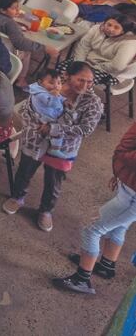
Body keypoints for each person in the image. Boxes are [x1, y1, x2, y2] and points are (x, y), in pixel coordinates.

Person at [4, 62, 103, 232]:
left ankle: (46, 210)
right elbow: (27, 109)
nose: (85, 86)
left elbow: (85, 129)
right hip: (36, 140)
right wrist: (38, 126)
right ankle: (17, 197)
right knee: (25, 170)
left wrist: (53, 129)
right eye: (81, 80)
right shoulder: (48, 87)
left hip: (63, 149)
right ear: (67, 76)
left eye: (90, 82)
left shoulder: (92, 102)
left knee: (54, 182)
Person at [53, 119, 136, 295]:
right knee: (118, 226)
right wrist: (120, 172)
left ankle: (82, 279)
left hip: (133, 195)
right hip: (130, 186)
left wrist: (122, 155)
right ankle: (106, 266)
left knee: (92, 229)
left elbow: (127, 151)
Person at [0, 0, 59, 87]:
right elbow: (20, 43)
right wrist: (44, 47)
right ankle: (21, 80)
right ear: (3, 10)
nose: (17, 10)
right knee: (27, 51)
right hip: (3, 49)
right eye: (14, 8)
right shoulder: (9, 23)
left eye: (17, 8)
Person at [63, 16, 136, 86]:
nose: (110, 29)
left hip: (108, 71)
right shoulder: (96, 29)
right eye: (109, 25)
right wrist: (79, 63)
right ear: (104, 23)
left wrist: (91, 67)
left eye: (116, 27)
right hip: (86, 61)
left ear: (122, 31)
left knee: (79, 81)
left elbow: (117, 66)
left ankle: (71, 96)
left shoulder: (129, 42)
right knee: (62, 69)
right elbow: (83, 46)